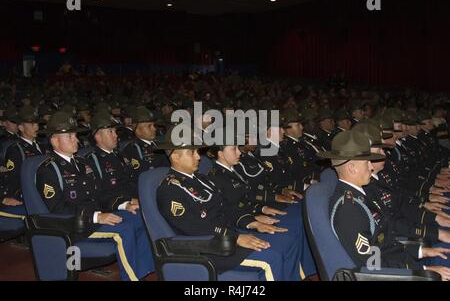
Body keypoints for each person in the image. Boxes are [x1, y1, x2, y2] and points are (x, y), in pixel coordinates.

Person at [156, 125, 301, 280]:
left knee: (286, 243)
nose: (198, 157)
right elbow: (194, 228)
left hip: (226, 235)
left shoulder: (201, 179)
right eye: (192, 152)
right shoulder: (170, 190)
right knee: (272, 258)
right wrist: (234, 238)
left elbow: (225, 207)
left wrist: (250, 222)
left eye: (197, 151)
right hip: (210, 247)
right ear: (175, 156)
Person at [36, 111, 154, 281]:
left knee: (139, 217)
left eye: (75, 135)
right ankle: (132, 278)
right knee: (124, 231)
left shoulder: (83, 164)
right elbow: (58, 208)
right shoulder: (48, 170)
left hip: (96, 218)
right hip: (77, 226)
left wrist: (124, 205)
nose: (76, 139)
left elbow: (101, 194)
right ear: (54, 140)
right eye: (69, 136)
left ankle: (143, 272)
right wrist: (96, 217)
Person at [319, 130, 450, 280]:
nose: (372, 167)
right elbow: (372, 266)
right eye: (367, 162)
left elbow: (384, 242)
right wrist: (424, 270)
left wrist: (421, 251)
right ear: (352, 168)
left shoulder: (361, 195)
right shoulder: (349, 209)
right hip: (401, 274)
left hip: (404, 262)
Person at [1, 106, 46, 216]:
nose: (36, 127)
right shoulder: (16, 149)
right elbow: (13, 177)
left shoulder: (44, 145)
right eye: (32, 124)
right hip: (26, 195)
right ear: (21, 127)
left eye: (37, 124)